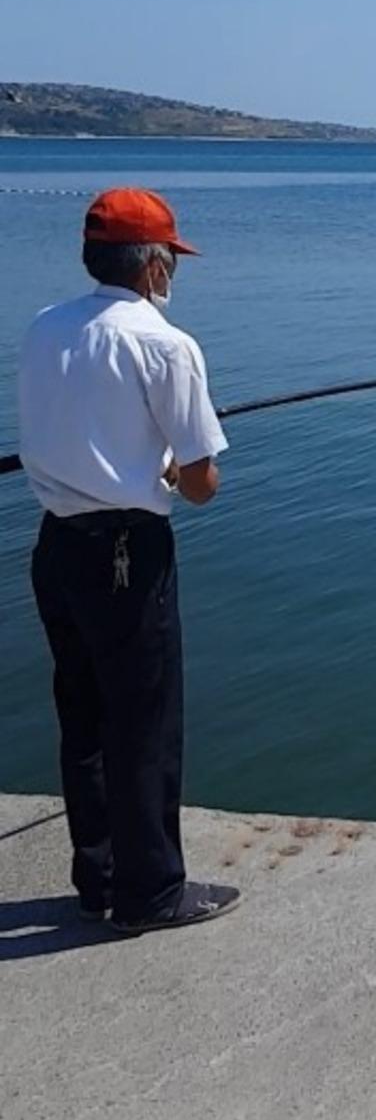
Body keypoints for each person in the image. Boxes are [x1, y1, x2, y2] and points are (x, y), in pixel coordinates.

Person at [18, 186, 240, 935]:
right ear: (151, 266)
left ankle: (99, 877)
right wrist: (175, 470)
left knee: (81, 718)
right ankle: (152, 892)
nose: (173, 275)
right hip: (126, 554)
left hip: (55, 548)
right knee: (143, 721)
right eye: (171, 261)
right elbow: (203, 484)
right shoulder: (165, 344)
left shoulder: (46, 328)